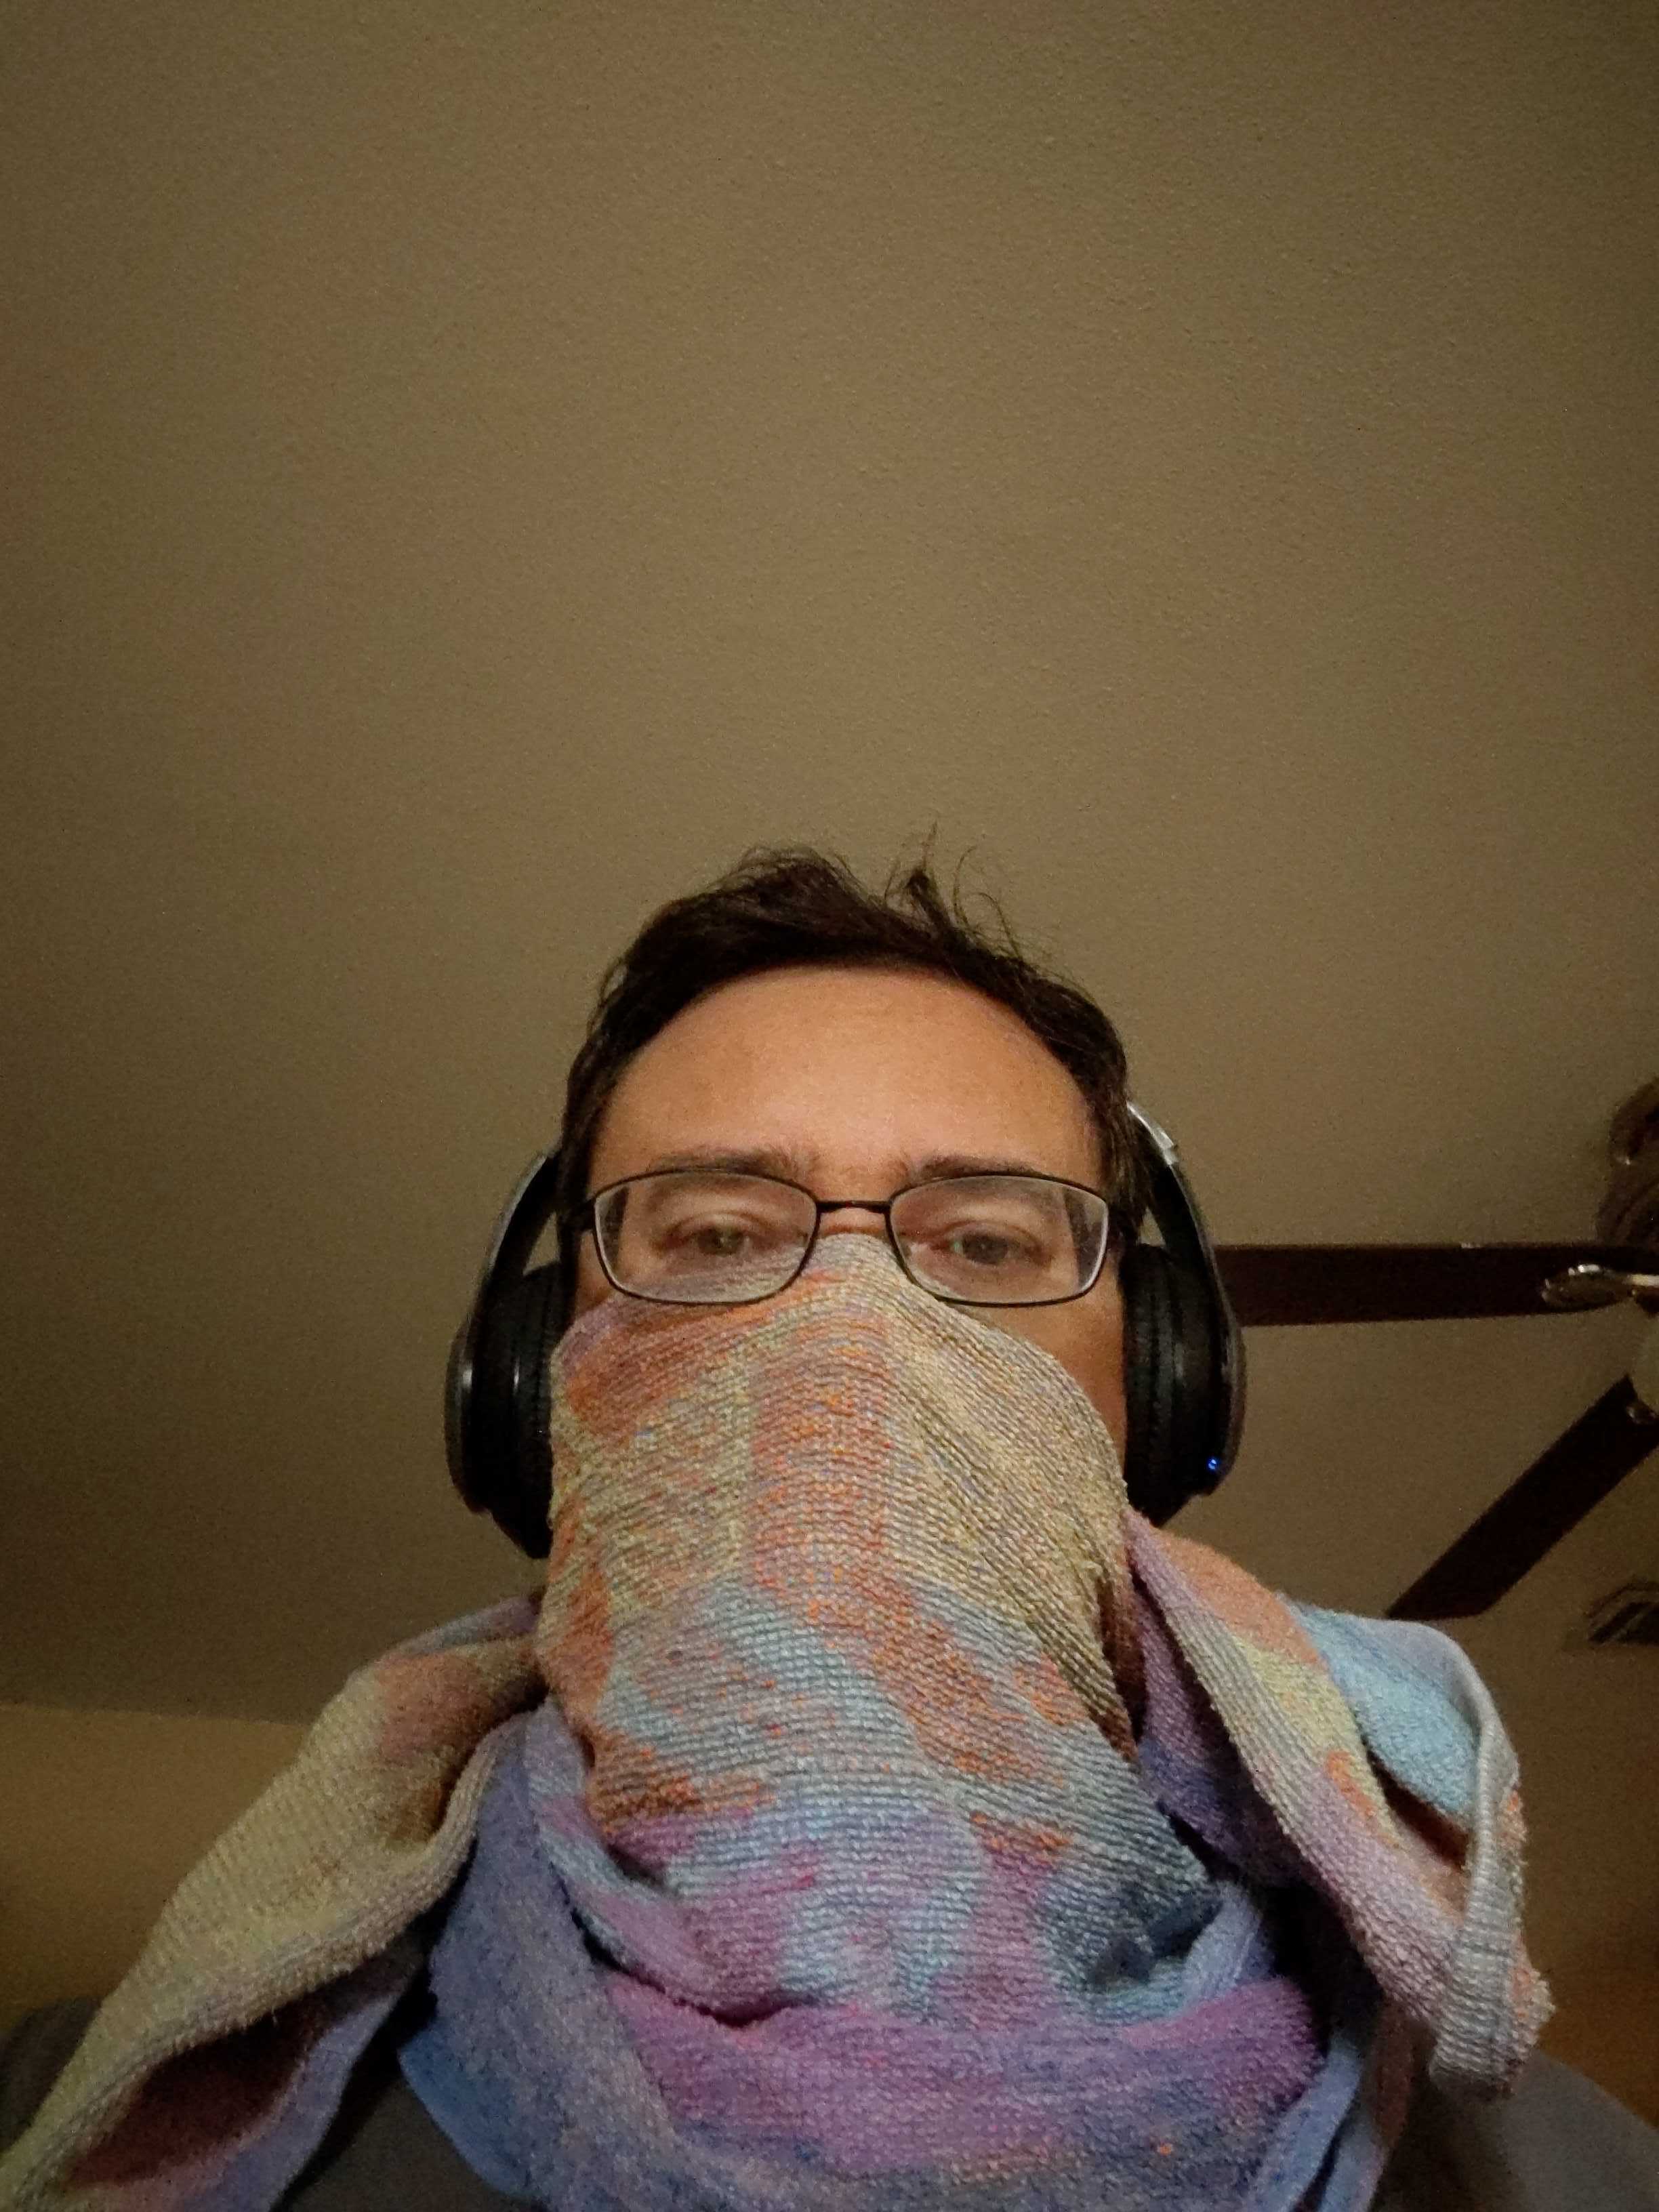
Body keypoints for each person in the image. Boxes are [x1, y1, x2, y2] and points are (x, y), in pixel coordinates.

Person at [3, 844, 1657, 2211]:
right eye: (718, 1236)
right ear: (539, 1398)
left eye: (987, 1245)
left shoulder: (1566, 2173)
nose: (848, 1331)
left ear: (1156, 1390)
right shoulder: (84, 2116)